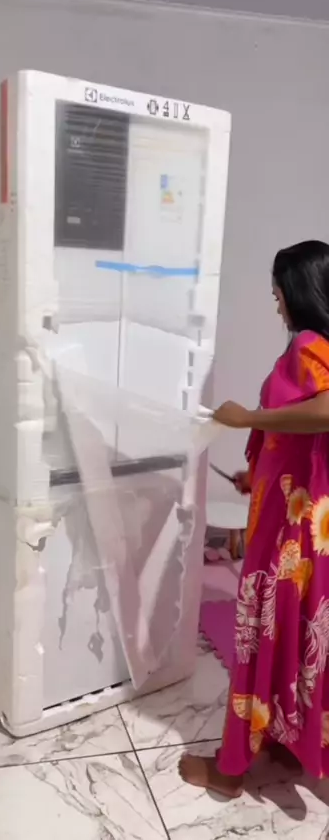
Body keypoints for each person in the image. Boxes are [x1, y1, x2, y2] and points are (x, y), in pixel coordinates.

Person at [180, 240, 329, 798]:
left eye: (278, 293)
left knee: (261, 634)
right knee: (291, 632)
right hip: (301, 516)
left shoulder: (312, 345)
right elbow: (303, 431)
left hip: (292, 531)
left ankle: (230, 770)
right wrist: (258, 470)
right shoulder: (317, 347)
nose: (277, 304)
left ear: (300, 292)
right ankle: (288, 741)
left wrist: (247, 418)